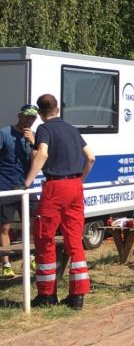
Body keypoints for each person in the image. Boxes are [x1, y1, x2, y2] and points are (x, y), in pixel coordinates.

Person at [22, 94, 95, 309]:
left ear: (40, 113)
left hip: (55, 187)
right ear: (58, 109)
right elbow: (91, 157)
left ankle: (47, 295)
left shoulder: (44, 129)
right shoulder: (72, 129)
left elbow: (43, 154)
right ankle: (77, 296)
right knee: (74, 240)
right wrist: (80, 180)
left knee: (44, 237)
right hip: (75, 187)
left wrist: (27, 182)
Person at [0, 104, 38, 278]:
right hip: (6, 185)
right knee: (4, 227)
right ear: (19, 116)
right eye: (26, 116)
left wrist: (33, 143)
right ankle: (6, 264)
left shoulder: (33, 136)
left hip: (26, 187)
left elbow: (39, 161)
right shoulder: (5, 133)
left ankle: (29, 257)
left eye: (32, 118)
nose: (29, 120)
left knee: (33, 223)